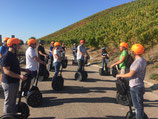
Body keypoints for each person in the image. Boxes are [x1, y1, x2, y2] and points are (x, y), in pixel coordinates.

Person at [116, 44, 146, 119]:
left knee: (137, 107)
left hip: (135, 86)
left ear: (134, 52)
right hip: (140, 85)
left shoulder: (137, 62)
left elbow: (130, 74)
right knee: (140, 106)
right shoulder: (143, 60)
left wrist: (120, 75)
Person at [1, 38, 27, 114]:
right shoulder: (7, 56)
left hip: (14, 81)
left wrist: (24, 70)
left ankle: (12, 115)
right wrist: (20, 76)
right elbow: (6, 71)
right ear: (13, 45)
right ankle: (7, 116)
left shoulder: (13, 54)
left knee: (13, 101)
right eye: (18, 44)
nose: (19, 46)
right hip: (9, 83)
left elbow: (15, 67)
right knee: (9, 102)